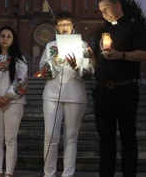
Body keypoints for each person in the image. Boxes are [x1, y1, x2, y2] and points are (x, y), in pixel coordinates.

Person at [91, 0, 146, 177]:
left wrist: (121, 55)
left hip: (125, 89)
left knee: (128, 137)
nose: (103, 14)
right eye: (101, 11)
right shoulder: (101, 32)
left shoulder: (133, 27)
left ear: (117, 6)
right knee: (105, 139)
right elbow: (98, 63)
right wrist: (90, 57)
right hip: (102, 91)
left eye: (106, 9)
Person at [38, 11, 94, 177]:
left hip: (75, 95)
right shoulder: (50, 46)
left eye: (67, 24)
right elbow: (44, 72)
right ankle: (49, 174)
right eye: (61, 24)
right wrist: (54, 62)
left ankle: (68, 174)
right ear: (56, 27)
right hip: (52, 95)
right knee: (51, 136)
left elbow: (90, 72)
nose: (64, 27)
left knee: (71, 137)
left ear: (73, 26)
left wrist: (77, 66)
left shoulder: (82, 45)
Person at [0, 26, 28, 177]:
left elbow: (21, 82)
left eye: (9, 36)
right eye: (2, 36)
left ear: (13, 40)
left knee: (11, 139)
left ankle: (9, 173)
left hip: (13, 103)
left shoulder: (20, 60)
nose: (5, 38)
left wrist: (8, 97)